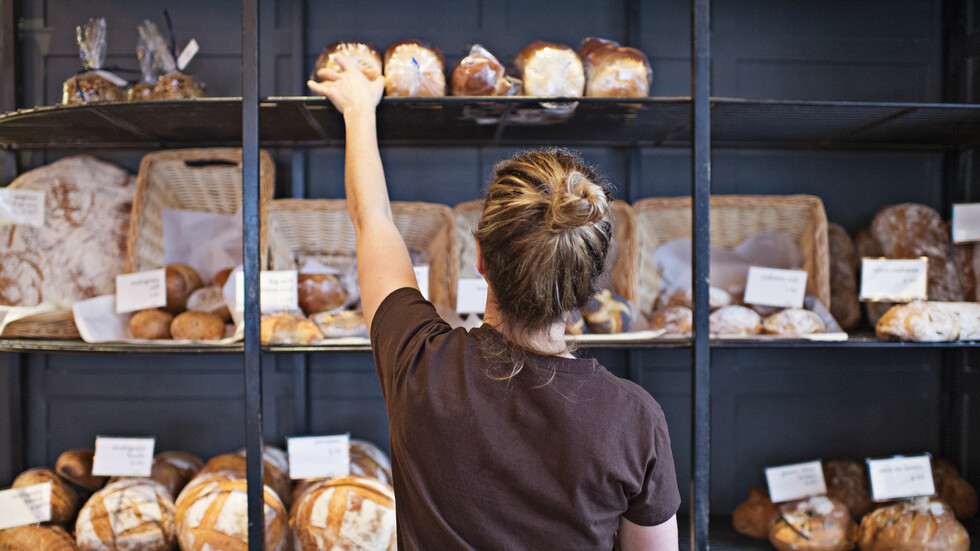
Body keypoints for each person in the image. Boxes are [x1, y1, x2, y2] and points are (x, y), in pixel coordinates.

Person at [308, 55, 680, 550]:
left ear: (479, 257)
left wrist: (359, 111)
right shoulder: (634, 418)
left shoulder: (419, 364)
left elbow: (371, 219)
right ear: (588, 283)